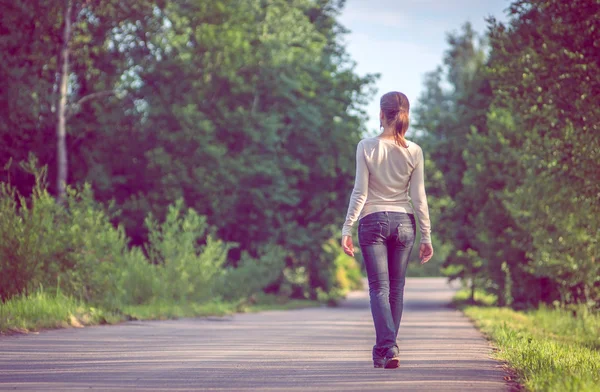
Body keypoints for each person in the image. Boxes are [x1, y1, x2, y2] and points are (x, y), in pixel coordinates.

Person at [341, 91, 434, 369]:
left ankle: (387, 347)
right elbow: (419, 198)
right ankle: (386, 348)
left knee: (379, 289)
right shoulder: (414, 151)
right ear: (406, 115)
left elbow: (360, 192)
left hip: (373, 221)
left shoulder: (366, 146)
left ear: (381, 114)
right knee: (396, 289)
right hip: (405, 223)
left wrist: (347, 227)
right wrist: (426, 235)